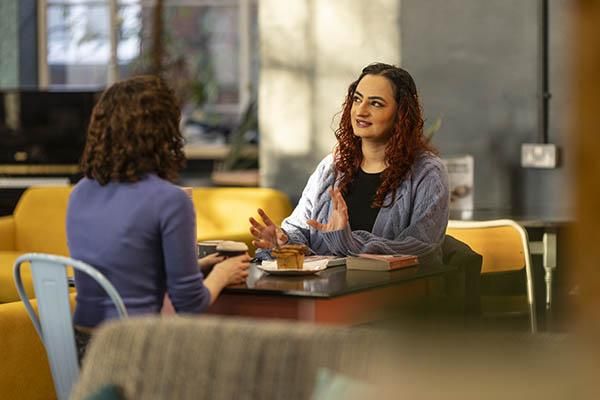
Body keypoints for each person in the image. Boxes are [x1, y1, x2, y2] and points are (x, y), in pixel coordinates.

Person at [67, 75, 250, 359]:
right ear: (163, 133)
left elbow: (124, 267)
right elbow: (190, 303)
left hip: (81, 347)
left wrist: (198, 266)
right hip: (135, 348)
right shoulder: (170, 200)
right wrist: (223, 275)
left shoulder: (79, 193)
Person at [250, 63, 449, 260]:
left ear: (401, 115)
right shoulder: (332, 167)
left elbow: (422, 247)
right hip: (324, 288)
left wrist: (347, 242)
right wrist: (284, 242)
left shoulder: (427, 172)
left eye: (376, 103)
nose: (360, 111)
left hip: (389, 289)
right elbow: (300, 228)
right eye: (357, 99)